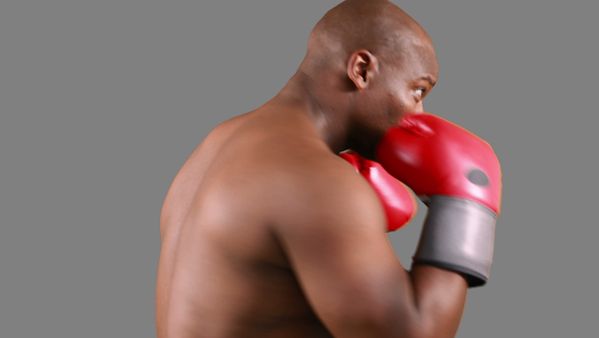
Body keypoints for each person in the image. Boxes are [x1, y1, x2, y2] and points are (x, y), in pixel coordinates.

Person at [155, 1, 502, 337]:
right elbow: (413, 333)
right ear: (362, 70)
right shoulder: (313, 179)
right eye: (417, 90)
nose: (420, 114)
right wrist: (466, 201)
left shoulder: (217, 142)